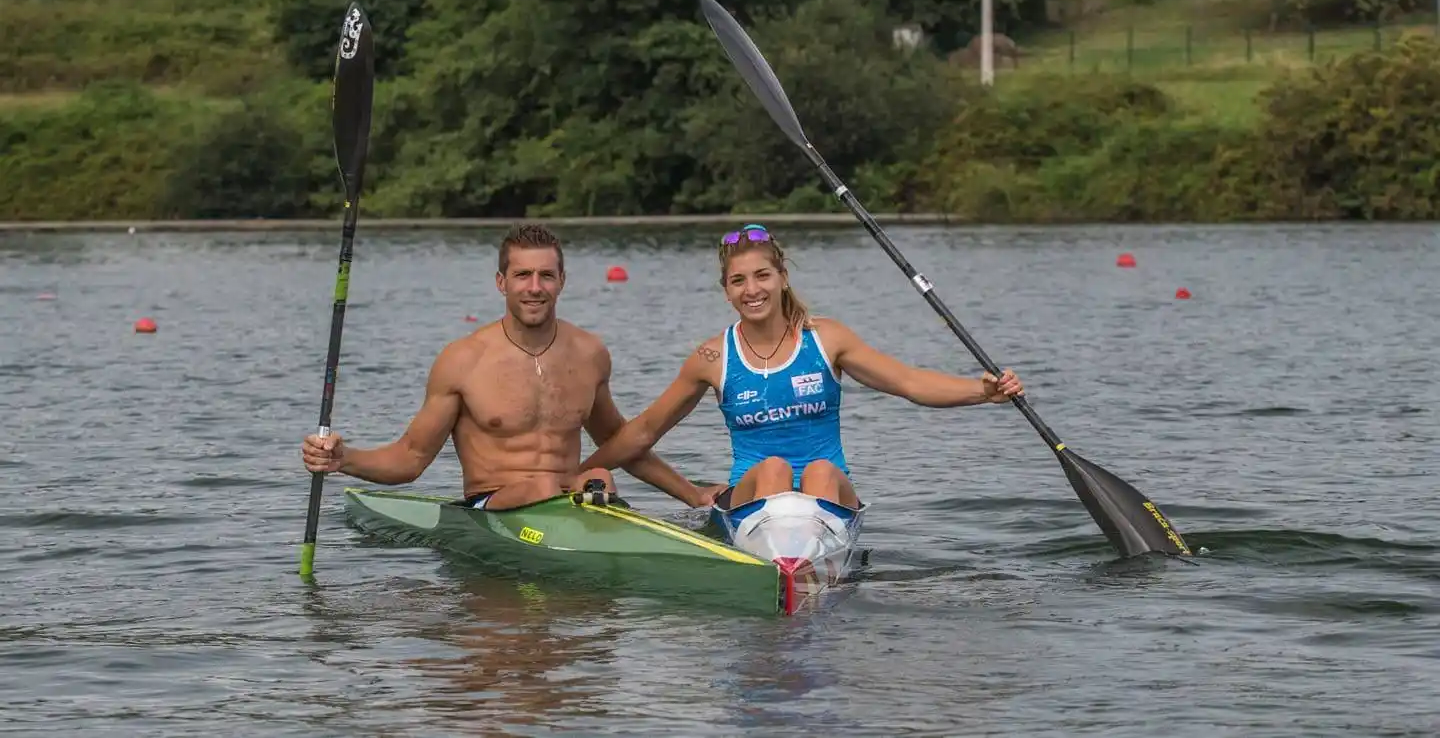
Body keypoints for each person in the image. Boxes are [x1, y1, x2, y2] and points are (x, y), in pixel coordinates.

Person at [576, 224, 1025, 509]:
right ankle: (788, 570)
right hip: (752, 496)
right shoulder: (711, 358)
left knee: (819, 472)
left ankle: (805, 563)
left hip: (828, 491)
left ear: (782, 278)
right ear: (726, 291)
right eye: (738, 281)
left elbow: (909, 382)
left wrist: (981, 392)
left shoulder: (827, 339)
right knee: (772, 468)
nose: (752, 290)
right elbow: (642, 432)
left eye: (762, 276)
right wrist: (578, 473)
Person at [300, 222, 721, 511]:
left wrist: (693, 495)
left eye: (545, 276)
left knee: (599, 477)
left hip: (569, 502)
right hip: (491, 509)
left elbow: (623, 444)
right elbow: (410, 459)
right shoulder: (463, 360)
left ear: (562, 281)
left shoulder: (589, 354)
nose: (534, 288)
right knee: (546, 486)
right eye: (522, 276)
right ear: (502, 282)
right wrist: (344, 459)